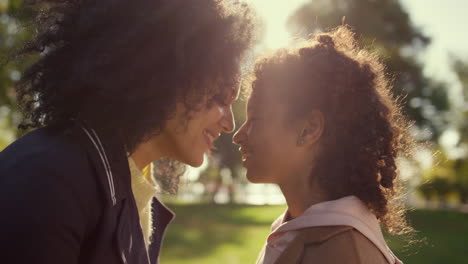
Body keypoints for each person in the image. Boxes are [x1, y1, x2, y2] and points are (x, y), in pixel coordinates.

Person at [0, 0, 254, 263]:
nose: (229, 124)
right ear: (165, 72)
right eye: (222, 96)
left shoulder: (132, 192)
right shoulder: (48, 180)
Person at [233, 26, 413, 264]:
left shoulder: (340, 252)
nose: (238, 135)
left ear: (309, 129)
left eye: (255, 120)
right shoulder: (306, 231)